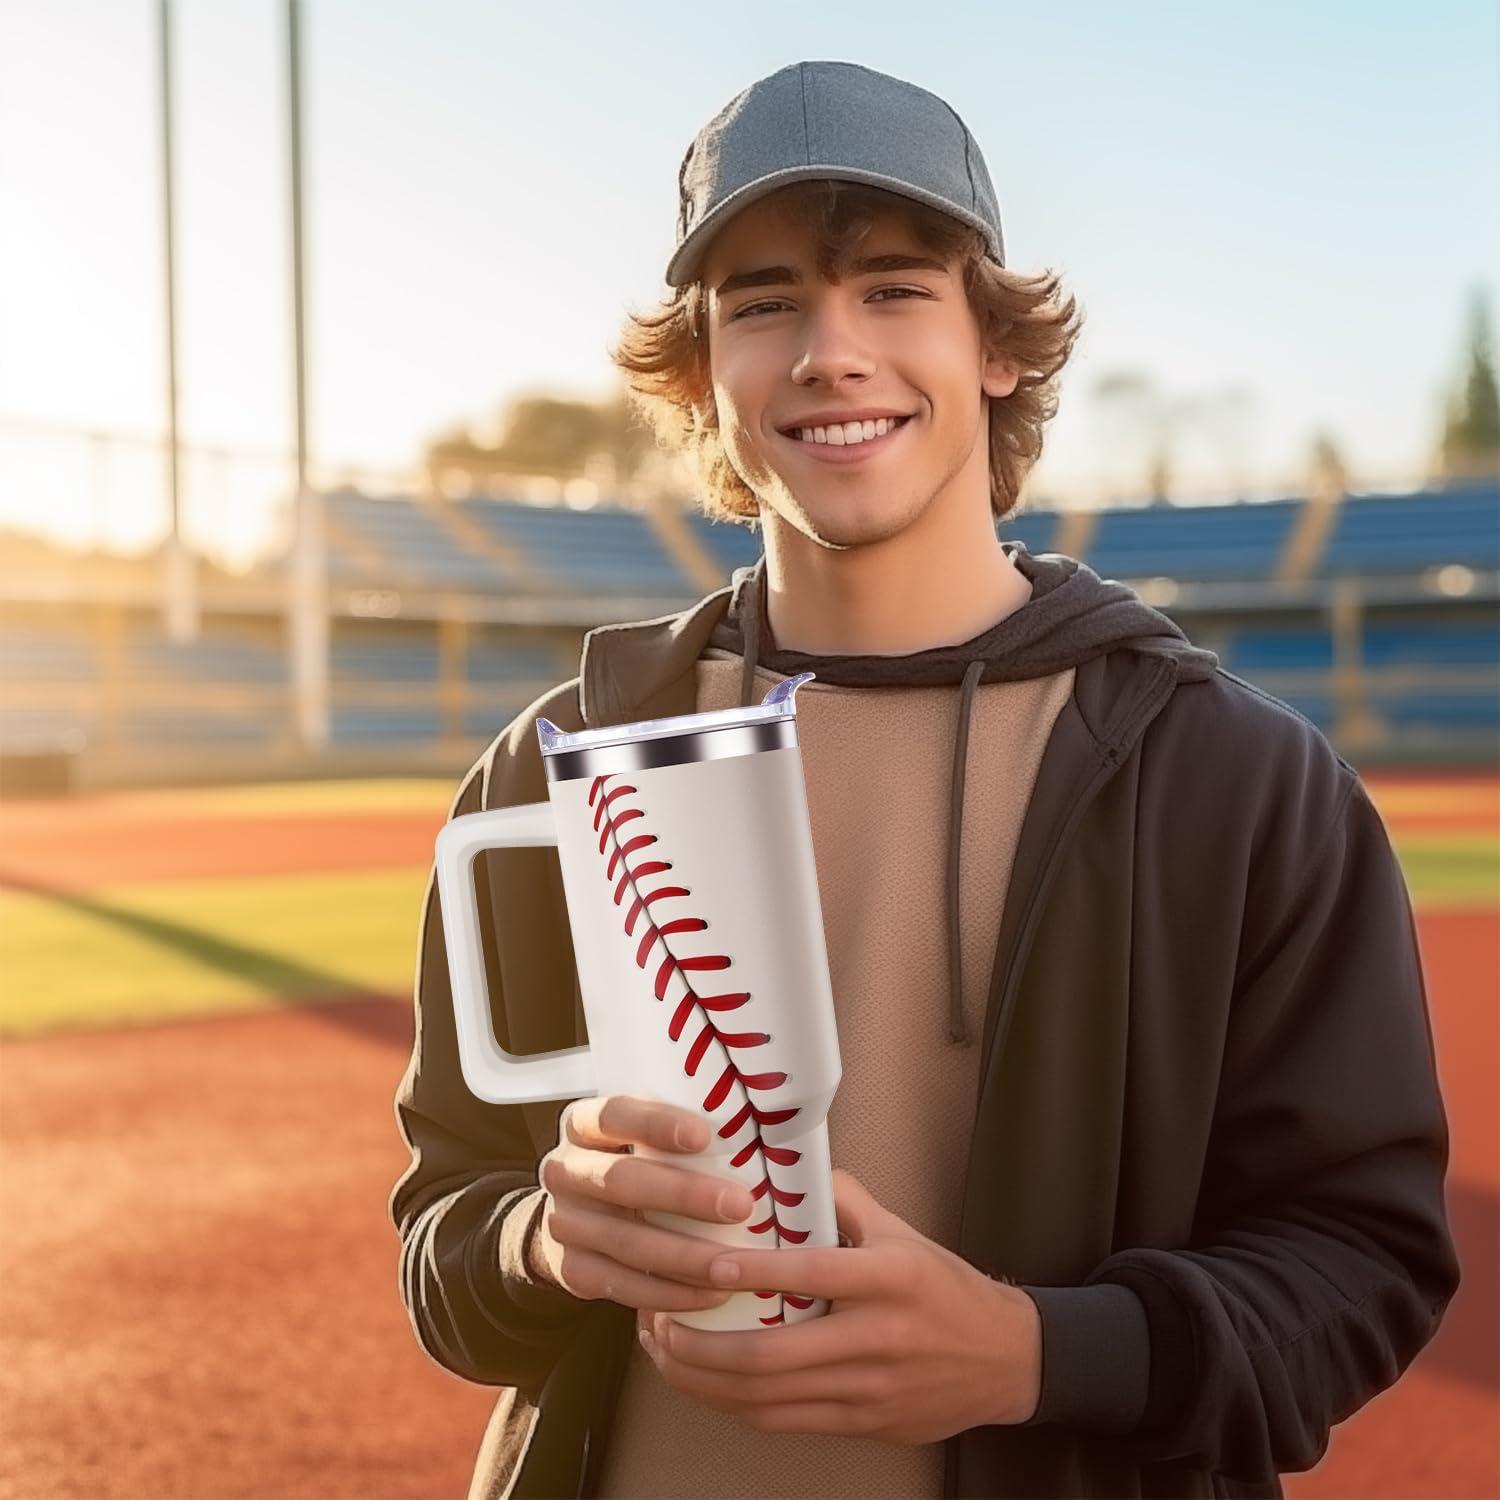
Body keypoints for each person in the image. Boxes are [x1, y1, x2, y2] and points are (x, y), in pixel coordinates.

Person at [389, 59, 1459, 1500]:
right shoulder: (555, 765)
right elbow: (444, 1242)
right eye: (763, 302)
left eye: (894, 289)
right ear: (701, 371)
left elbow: (1367, 1262)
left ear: (997, 345)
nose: (830, 352)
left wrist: (1037, 1356)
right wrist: (544, 1240)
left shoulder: (1241, 780)